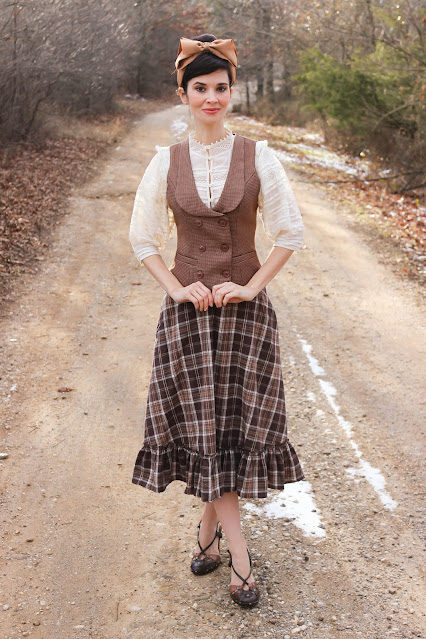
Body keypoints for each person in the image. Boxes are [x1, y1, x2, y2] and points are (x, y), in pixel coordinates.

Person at [129, 33, 305, 608]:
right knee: (207, 431)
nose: (212, 98)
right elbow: (142, 239)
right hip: (188, 321)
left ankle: (209, 540)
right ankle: (240, 556)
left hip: (245, 322)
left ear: (233, 91)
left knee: (226, 433)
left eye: (221, 88)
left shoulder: (260, 157)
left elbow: (289, 233)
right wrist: (177, 289)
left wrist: (251, 285)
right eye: (200, 88)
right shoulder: (165, 162)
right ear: (182, 94)